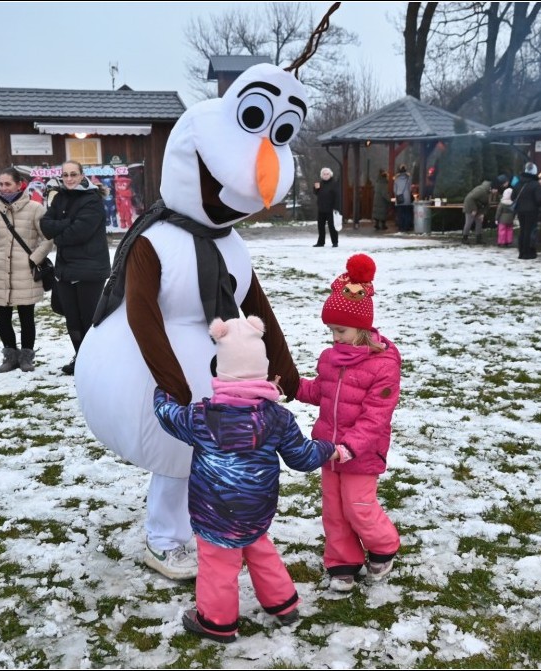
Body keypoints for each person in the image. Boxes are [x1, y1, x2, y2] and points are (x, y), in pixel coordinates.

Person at [75, 63, 308, 582]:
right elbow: (142, 313)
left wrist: (283, 363)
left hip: (222, 371)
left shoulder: (231, 242)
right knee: (174, 456)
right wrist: (173, 385)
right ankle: (164, 536)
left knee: (207, 459)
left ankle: (205, 523)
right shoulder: (155, 239)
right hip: (161, 373)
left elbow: (255, 302)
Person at [153, 315, 342, 642]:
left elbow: (169, 417)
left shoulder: (201, 417)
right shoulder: (278, 418)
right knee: (259, 548)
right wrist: (329, 449)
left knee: (218, 565)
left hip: (214, 511)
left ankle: (217, 621)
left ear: (221, 370)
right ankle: (283, 603)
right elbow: (302, 457)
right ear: (262, 370)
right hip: (256, 507)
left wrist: (163, 393)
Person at [295, 254, 402, 592]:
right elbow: (320, 391)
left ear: (362, 328)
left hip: (361, 453)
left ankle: (384, 546)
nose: (335, 337)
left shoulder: (383, 365)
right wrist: (291, 386)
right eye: (331, 331)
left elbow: (375, 416)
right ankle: (343, 561)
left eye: (340, 330)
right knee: (334, 510)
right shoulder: (331, 358)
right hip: (329, 451)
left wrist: (349, 448)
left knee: (358, 506)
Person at [39, 161, 110, 374]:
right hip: (66, 269)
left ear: (82, 176)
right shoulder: (60, 197)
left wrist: (59, 231)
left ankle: (94, 360)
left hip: (90, 269)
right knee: (72, 320)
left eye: (73, 174)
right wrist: (66, 225)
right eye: (65, 175)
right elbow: (45, 225)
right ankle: (80, 356)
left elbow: (79, 232)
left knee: (89, 319)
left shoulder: (92, 200)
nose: (69, 178)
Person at [0, 167, 54, 373]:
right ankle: (10, 356)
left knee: (26, 317)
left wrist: (33, 259)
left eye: (8, 184)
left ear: (19, 184)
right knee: (2, 317)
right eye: (1, 184)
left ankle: (26, 356)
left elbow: (47, 239)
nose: (3, 188)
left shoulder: (35, 208)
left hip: (26, 273)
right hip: (0, 272)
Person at [514, 162, 541, 260]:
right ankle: (527, 253)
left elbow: (513, 196)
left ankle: (521, 252)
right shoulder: (535, 184)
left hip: (520, 210)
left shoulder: (518, 182)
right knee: (528, 231)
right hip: (531, 211)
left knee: (522, 230)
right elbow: (540, 199)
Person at [312, 167, 339, 247]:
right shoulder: (320, 184)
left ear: (330, 175)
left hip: (331, 208)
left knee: (332, 226)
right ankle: (321, 242)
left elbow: (337, 196)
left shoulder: (334, 184)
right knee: (320, 226)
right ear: (321, 175)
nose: (326, 175)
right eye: (324, 174)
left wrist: (336, 207)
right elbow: (316, 193)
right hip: (321, 208)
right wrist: (316, 189)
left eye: (327, 174)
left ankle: (335, 242)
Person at [461, 177, 493, 244]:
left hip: (479, 208)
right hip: (470, 206)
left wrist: (482, 213)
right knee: (469, 222)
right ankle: (464, 238)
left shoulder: (487, 192)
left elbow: (486, 204)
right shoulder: (480, 190)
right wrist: (474, 209)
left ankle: (479, 239)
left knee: (479, 222)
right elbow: (470, 198)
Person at [393, 165, 413, 232]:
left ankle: (401, 227)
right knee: (407, 213)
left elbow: (394, 190)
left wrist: (397, 194)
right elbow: (410, 189)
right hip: (407, 198)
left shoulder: (396, 179)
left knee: (400, 213)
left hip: (399, 198)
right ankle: (406, 226)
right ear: (405, 171)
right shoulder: (408, 179)